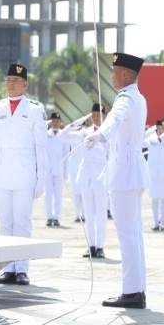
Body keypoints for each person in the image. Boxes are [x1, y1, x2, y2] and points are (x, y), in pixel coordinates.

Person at [84, 52, 149, 309]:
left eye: (113, 71)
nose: (111, 76)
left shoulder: (126, 98)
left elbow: (114, 118)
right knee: (135, 234)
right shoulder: (138, 97)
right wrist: (103, 141)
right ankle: (138, 289)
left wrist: (100, 134)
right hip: (131, 168)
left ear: (124, 73)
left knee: (127, 235)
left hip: (124, 172)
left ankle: (131, 292)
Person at [0, 63, 47, 286]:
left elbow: (41, 146)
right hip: (1, 170)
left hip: (25, 171)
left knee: (22, 222)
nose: (11, 84)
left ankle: (22, 268)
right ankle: (7, 268)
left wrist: (42, 177)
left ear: (25, 84)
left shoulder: (35, 109)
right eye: (8, 80)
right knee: (5, 222)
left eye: (16, 81)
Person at [62, 104, 109, 258]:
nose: (96, 117)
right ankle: (91, 246)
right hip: (86, 176)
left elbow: (112, 156)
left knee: (101, 213)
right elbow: (63, 134)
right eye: (93, 114)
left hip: (101, 176)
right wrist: (83, 119)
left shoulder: (107, 133)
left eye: (99, 114)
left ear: (105, 116)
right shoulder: (84, 132)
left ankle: (101, 246)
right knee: (88, 213)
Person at [42, 112, 70, 227]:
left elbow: (66, 155)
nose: (55, 123)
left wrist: (66, 172)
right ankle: (49, 217)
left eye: (57, 121)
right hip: (47, 169)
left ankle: (56, 217)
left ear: (60, 123)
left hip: (59, 169)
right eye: (53, 121)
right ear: (50, 122)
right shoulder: (45, 135)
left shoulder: (64, 136)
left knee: (58, 195)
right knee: (48, 194)